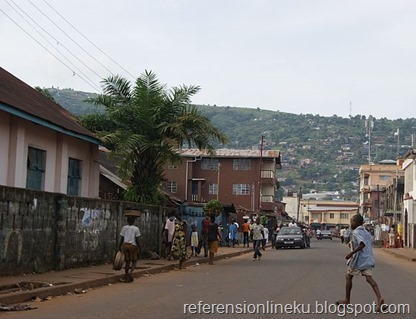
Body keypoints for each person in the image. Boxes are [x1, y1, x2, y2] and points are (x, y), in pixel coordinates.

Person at [336, 214, 384, 312]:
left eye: (352, 221)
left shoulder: (356, 232)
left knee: (348, 276)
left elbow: (362, 244)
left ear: (357, 222)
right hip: (367, 259)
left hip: (358, 260)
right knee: (369, 279)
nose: (351, 223)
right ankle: (379, 298)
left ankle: (347, 300)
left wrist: (351, 253)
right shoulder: (366, 232)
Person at [119, 215, 141, 283]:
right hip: (133, 246)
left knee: (127, 261)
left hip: (125, 245)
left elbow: (122, 238)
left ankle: (126, 275)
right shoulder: (136, 229)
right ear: (134, 221)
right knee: (134, 261)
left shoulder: (124, 228)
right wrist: (139, 247)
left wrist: (119, 246)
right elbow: (137, 239)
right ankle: (130, 274)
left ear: (127, 221)